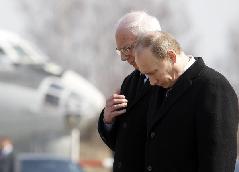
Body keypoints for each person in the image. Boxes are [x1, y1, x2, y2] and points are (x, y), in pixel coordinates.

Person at [134, 31, 239, 172]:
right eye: (147, 75)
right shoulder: (160, 86)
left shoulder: (213, 88)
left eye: (153, 72)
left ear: (171, 57)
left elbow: (218, 161)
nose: (151, 81)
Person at [97, 11, 162, 172]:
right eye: (120, 51)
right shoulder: (130, 82)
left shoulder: (173, 80)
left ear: (152, 39)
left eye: (127, 49)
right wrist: (108, 121)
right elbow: (122, 144)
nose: (124, 58)